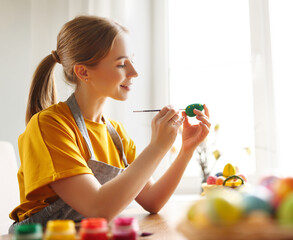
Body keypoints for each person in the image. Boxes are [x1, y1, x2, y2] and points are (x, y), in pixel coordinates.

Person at [9, 15, 211, 232]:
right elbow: (97, 208)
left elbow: (152, 200)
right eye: (122, 64)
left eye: (132, 61)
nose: (134, 72)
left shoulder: (115, 133)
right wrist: (157, 147)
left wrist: (186, 150)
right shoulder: (49, 125)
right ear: (83, 71)